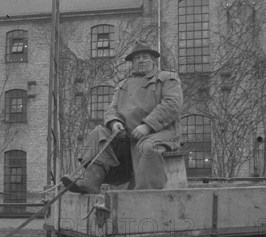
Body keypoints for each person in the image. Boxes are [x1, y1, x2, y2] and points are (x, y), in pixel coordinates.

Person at [62, 40, 183, 193]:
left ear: (153, 59)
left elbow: (172, 105)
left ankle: (145, 195)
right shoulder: (123, 85)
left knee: (147, 147)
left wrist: (148, 126)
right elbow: (111, 109)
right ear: (132, 63)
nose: (140, 61)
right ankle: (91, 181)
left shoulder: (167, 78)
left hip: (161, 133)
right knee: (98, 133)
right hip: (128, 136)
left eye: (145, 57)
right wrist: (114, 123)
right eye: (136, 58)